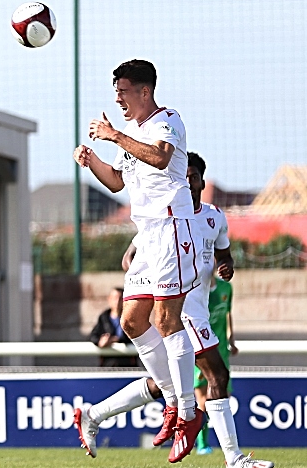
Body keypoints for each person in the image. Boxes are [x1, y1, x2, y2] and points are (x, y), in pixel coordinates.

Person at [75, 153, 273, 468]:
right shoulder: (166, 219)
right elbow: (131, 260)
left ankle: (93, 413)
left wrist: (226, 266)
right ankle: (232, 457)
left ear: (202, 182)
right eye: (185, 175)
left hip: (199, 311)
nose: (188, 180)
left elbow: (224, 253)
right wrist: (158, 291)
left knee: (164, 385)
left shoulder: (214, 217)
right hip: (182, 315)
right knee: (216, 375)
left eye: (194, 176)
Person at [72, 59, 203, 463]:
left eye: (123, 90)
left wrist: (113, 135)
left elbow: (161, 158)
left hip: (172, 230)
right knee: (131, 322)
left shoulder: (168, 121)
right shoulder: (129, 133)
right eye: (116, 91)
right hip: (147, 236)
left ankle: (187, 413)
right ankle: (170, 401)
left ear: (144, 91)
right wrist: (93, 160)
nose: (117, 98)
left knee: (166, 321)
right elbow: (116, 180)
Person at [195, 269, 238, 454]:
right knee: (202, 400)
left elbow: (228, 314)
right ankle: (201, 444)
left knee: (223, 396)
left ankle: (227, 447)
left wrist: (231, 339)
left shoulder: (226, 288)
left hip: (221, 352)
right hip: (201, 352)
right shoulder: (195, 290)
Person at [89, 287, 138, 367]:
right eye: (115, 298)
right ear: (109, 299)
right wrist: (101, 341)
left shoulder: (131, 318)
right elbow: (93, 336)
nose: (117, 301)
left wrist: (116, 339)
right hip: (108, 364)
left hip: (128, 364)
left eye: (120, 298)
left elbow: (137, 337)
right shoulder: (103, 318)